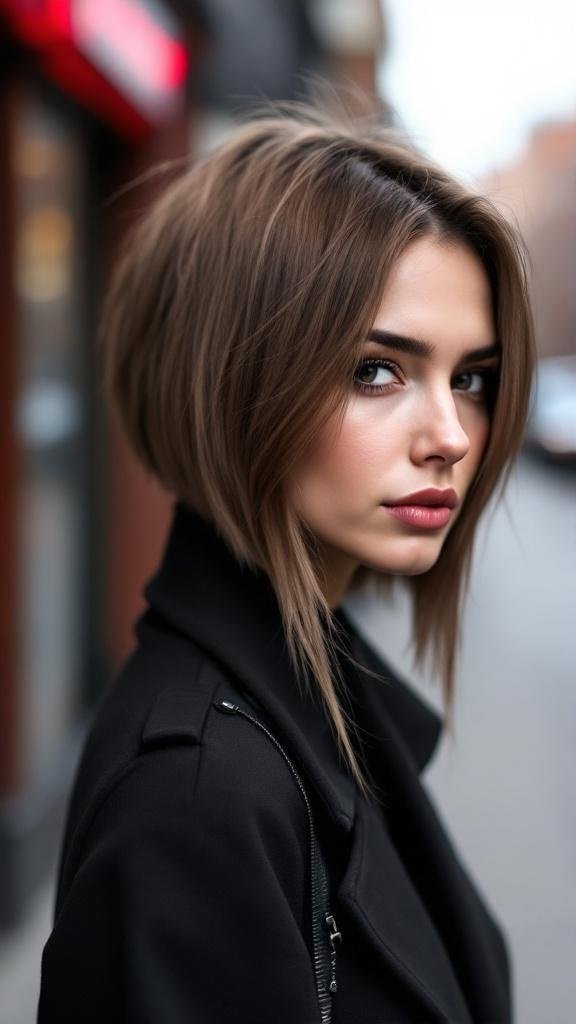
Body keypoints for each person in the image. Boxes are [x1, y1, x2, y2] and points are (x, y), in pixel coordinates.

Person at [37, 100, 535, 1023]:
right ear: (236, 379)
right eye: (377, 370)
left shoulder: (308, 703)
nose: (452, 436)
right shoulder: (195, 801)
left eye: (471, 378)